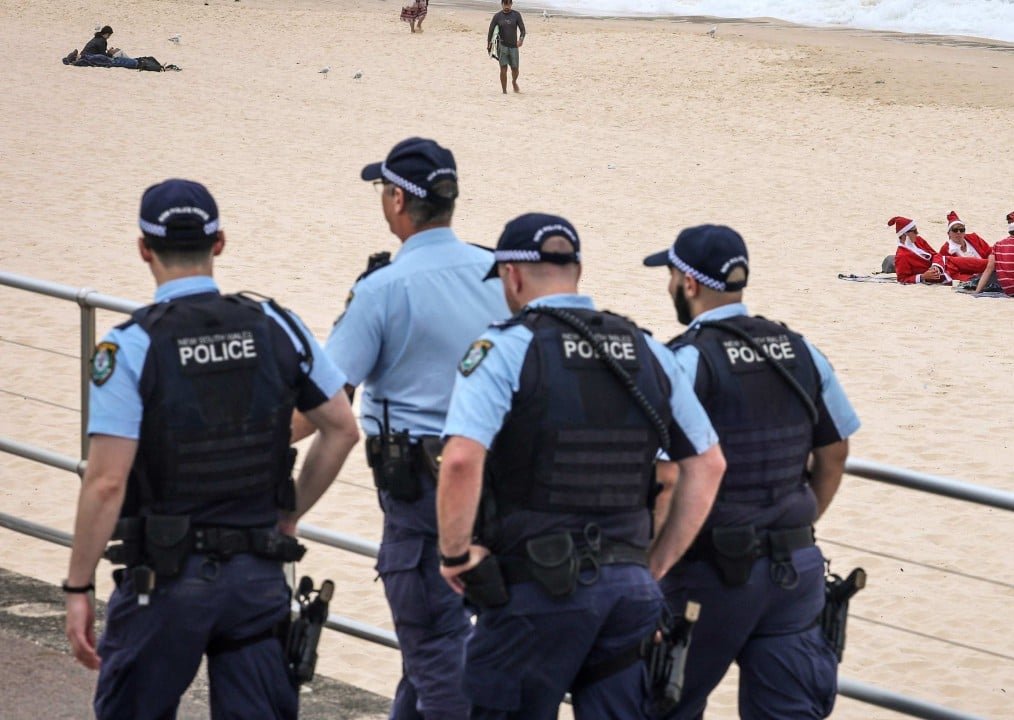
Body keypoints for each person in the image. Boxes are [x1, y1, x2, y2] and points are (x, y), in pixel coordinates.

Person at [64, 179, 359, 718]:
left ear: (144, 249)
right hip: (257, 576)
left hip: (163, 583)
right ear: (219, 242)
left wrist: (77, 585)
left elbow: (106, 482)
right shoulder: (278, 326)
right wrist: (289, 513)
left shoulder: (130, 346)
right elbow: (341, 428)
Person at [436, 212, 726, 718]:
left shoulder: (505, 348)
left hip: (534, 590)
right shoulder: (649, 350)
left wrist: (455, 554)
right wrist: (655, 564)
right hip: (628, 592)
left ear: (512, 275)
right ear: (578, 272)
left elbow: (461, 459)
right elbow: (707, 463)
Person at [291, 137, 508, 719]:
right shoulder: (499, 273)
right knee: (435, 657)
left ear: (396, 200)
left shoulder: (383, 288)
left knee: (436, 655)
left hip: (420, 500)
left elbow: (325, 403)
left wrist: (241, 446)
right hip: (499, 489)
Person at [642, 225, 861, 719]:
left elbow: (666, 478)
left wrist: (650, 566)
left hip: (708, 574)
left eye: (672, 276)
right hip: (794, 570)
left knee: (660, 704)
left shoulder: (686, 359)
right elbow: (836, 452)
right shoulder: (800, 350)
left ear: (688, 283)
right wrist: (798, 521)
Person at [888, 216, 947, 284]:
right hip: (936, 277)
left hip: (942, 267)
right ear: (905, 234)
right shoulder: (902, 256)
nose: (917, 233)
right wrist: (922, 277)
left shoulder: (918, 240)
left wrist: (936, 265)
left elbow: (935, 254)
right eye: (915, 231)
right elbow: (902, 279)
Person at [487, 0, 526, 94]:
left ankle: (514, 82)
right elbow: (491, 30)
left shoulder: (516, 15)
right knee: (503, 68)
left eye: (508, 4)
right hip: (502, 46)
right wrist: (489, 43)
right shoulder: (497, 16)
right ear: (502, 4)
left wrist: (521, 40)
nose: (506, 6)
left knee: (515, 69)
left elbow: (523, 30)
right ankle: (504, 91)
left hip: (514, 47)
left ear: (511, 4)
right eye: (505, 4)